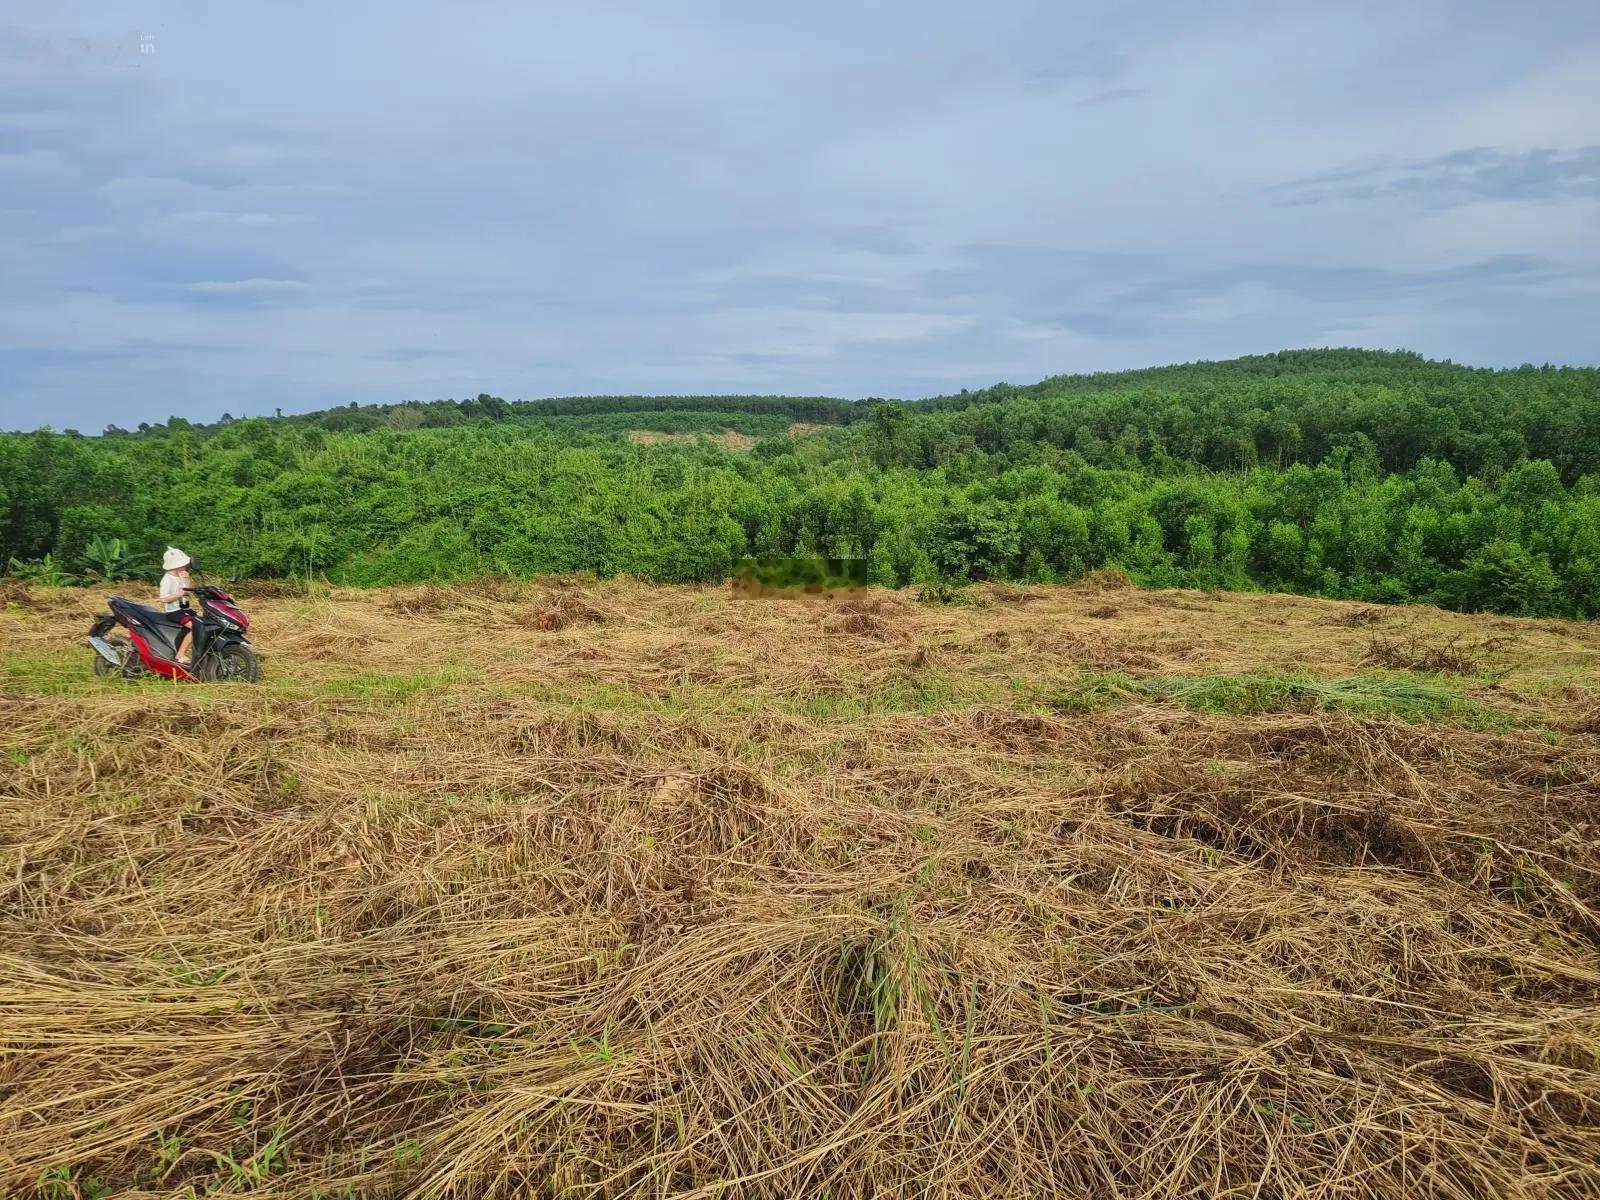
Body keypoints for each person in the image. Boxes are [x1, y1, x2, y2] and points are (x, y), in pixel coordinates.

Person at [159, 546, 195, 665]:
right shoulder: (167, 579)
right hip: (174, 611)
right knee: (197, 628)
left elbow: (189, 591)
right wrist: (179, 594)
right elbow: (163, 599)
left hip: (186, 609)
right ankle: (180, 655)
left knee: (205, 623)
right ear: (174, 566)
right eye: (183, 565)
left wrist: (187, 578)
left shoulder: (182, 576)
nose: (185, 567)